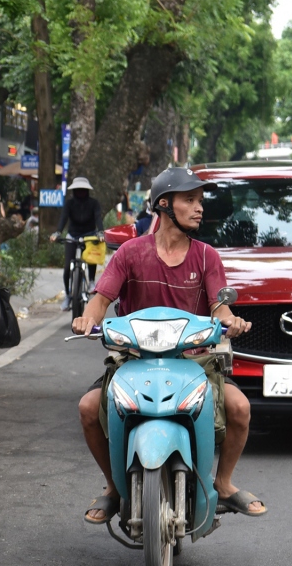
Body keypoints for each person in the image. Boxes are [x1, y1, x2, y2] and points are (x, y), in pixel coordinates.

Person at [71, 166, 266, 523]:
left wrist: (230, 321)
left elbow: (219, 307)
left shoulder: (207, 256)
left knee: (239, 409)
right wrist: (88, 318)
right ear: (164, 204)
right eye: (189, 200)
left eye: (200, 201)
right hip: (134, 361)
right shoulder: (130, 253)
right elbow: (101, 298)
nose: (199, 208)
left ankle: (223, 483)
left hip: (194, 361)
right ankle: (114, 487)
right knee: (87, 408)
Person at [51, 177, 104, 308]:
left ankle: (91, 281)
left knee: (92, 258)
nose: (80, 192)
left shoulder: (94, 203)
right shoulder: (69, 204)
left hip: (89, 235)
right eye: (78, 190)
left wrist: (101, 232)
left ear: (87, 191)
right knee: (67, 268)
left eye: (83, 190)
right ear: (74, 191)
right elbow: (63, 218)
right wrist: (57, 232)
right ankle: (69, 295)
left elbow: (98, 218)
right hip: (72, 235)